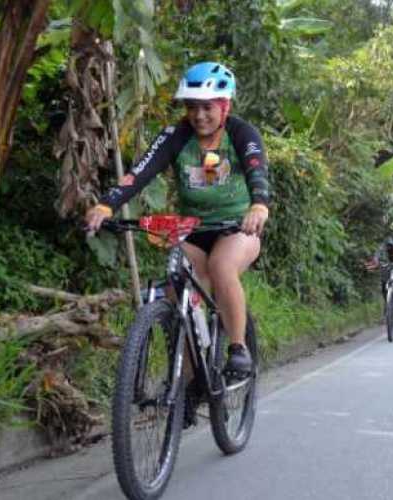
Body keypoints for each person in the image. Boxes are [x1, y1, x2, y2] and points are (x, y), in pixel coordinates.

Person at [85, 62, 270, 377]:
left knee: (221, 267)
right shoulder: (177, 134)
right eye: (191, 107)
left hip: (236, 228)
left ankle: (238, 350)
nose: (199, 116)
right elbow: (140, 172)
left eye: (207, 107)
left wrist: (259, 206)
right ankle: (186, 384)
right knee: (176, 291)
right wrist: (106, 206)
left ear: (224, 106)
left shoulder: (241, 132)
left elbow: (257, 169)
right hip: (192, 230)